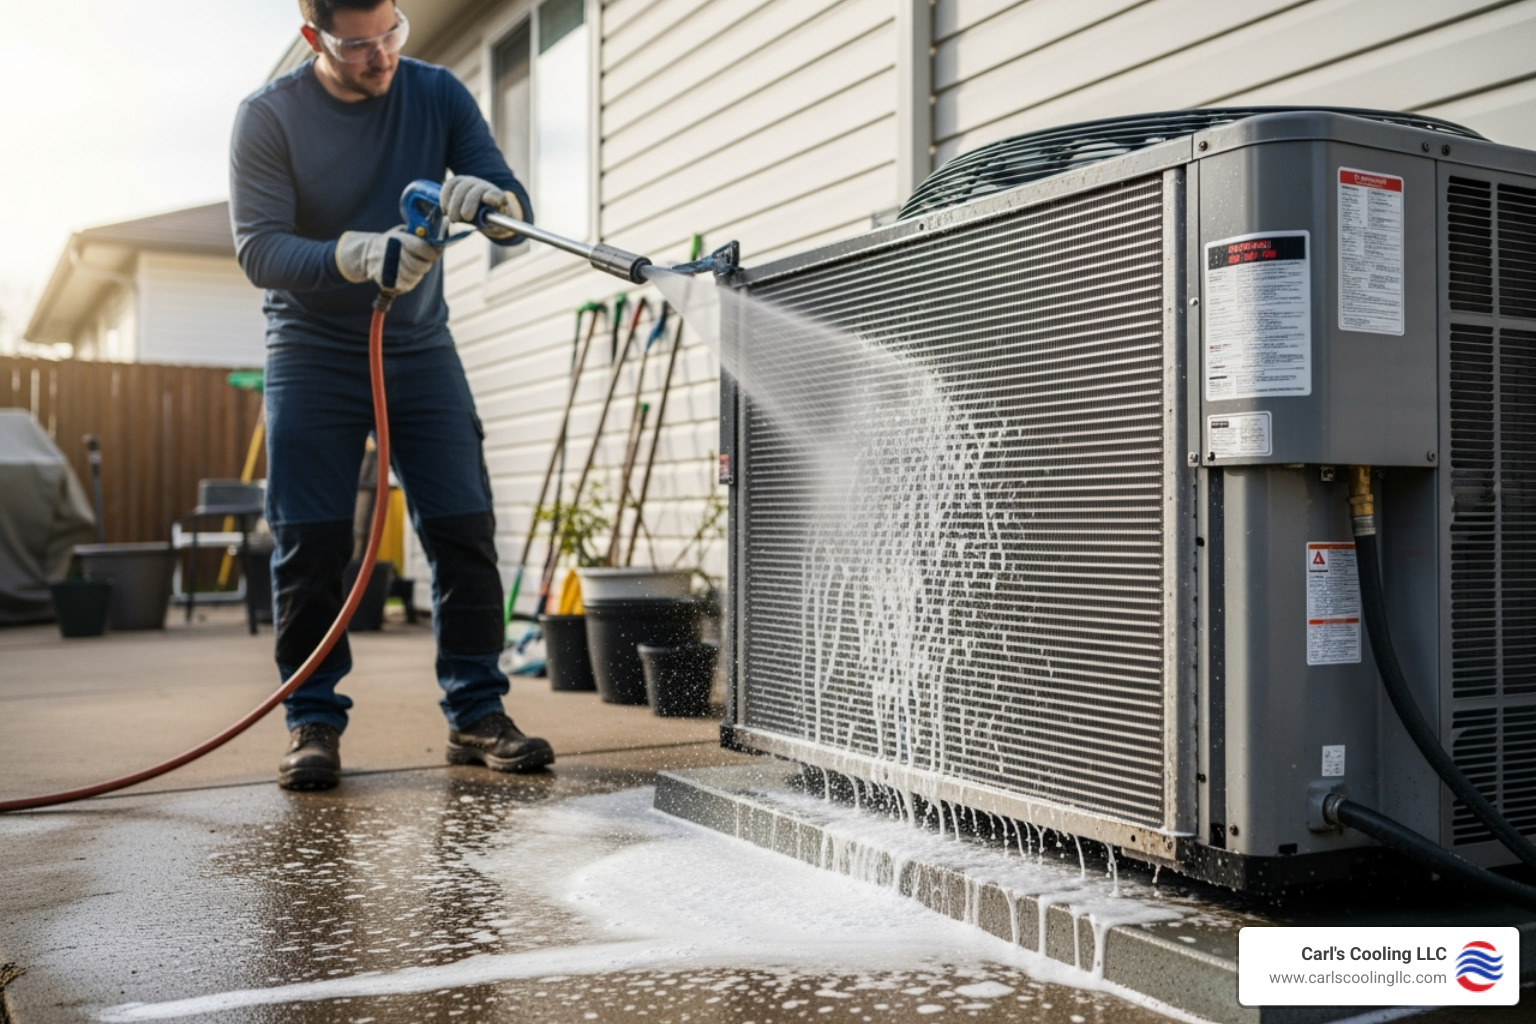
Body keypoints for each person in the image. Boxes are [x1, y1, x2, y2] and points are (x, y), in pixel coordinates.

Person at [229, 0, 553, 790]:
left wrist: (495, 206)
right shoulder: (266, 118)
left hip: (418, 343)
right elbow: (258, 247)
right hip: (310, 348)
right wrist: (355, 252)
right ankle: (312, 721)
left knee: (464, 526)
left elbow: (516, 207)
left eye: (391, 35)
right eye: (358, 45)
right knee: (310, 543)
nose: (381, 58)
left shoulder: (436, 92)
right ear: (314, 38)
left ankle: (476, 713)